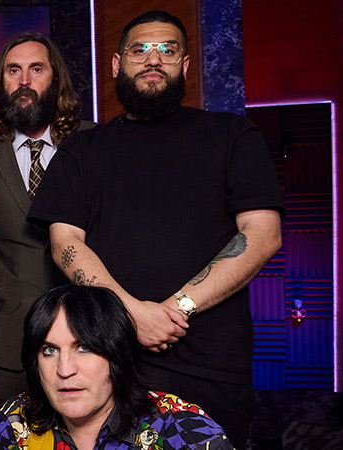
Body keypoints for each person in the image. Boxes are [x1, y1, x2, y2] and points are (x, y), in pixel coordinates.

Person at [29, 10, 284, 448]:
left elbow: (262, 234)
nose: (153, 59)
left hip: (212, 366)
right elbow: (65, 242)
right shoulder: (82, 150)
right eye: (139, 49)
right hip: (107, 366)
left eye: (167, 50)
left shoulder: (232, 135)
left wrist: (178, 307)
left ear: (185, 65)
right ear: (116, 64)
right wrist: (131, 314)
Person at [0, 32, 94, 427]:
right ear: (1, 82)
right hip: (5, 339)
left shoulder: (93, 140)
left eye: (36, 69)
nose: (24, 81)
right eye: (13, 71)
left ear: (56, 79)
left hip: (87, 334)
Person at [0, 285, 234, 450]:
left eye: (84, 348)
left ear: (117, 355)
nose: (64, 370)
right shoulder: (16, 417)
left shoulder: (180, 426)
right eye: (50, 350)